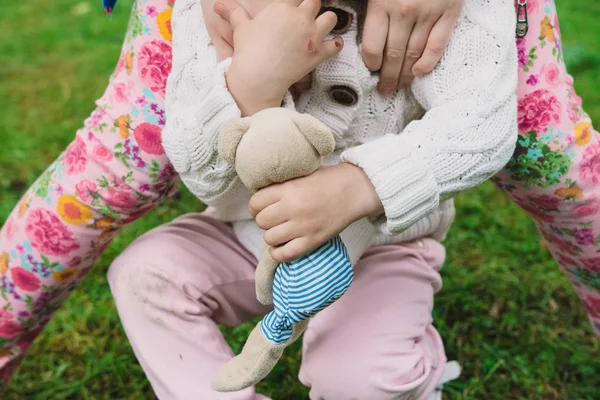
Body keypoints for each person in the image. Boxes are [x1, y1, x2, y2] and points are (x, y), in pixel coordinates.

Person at [107, 0, 517, 398]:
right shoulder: (217, 8)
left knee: (360, 382)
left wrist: (358, 187)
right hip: (252, 236)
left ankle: (411, 376)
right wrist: (251, 86)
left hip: (383, 246)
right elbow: (200, 173)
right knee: (146, 273)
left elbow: (482, 128)